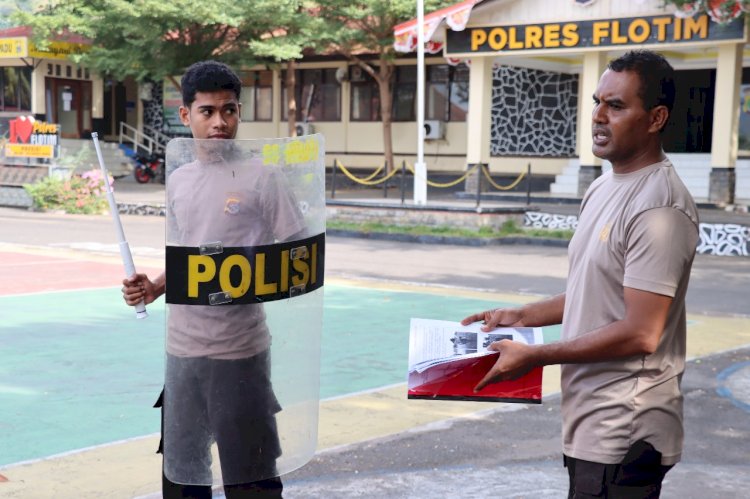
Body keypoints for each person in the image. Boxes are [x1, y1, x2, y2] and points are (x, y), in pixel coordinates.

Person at [462, 50, 699, 499]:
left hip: (625, 426)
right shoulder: (602, 186)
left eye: (616, 106)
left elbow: (640, 333)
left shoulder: (660, 206)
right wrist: (522, 316)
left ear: (656, 118)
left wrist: (536, 356)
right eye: (597, 102)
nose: (598, 116)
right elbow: (598, 292)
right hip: (590, 417)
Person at [122, 60, 304, 498]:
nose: (220, 122)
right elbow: (190, 253)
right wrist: (156, 287)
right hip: (182, 354)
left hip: (240, 354)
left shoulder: (265, 177)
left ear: (239, 112)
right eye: (207, 112)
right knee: (183, 480)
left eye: (229, 110)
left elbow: (299, 256)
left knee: (252, 481)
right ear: (186, 116)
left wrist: (253, 276)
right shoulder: (179, 178)